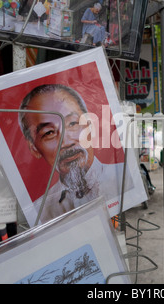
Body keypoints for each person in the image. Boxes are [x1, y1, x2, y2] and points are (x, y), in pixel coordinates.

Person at [18, 84, 132, 223]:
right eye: (49, 133)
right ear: (34, 149)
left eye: (73, 124)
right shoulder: (40, 213)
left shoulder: (126, 178)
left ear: (90, 125)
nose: (66, 142)